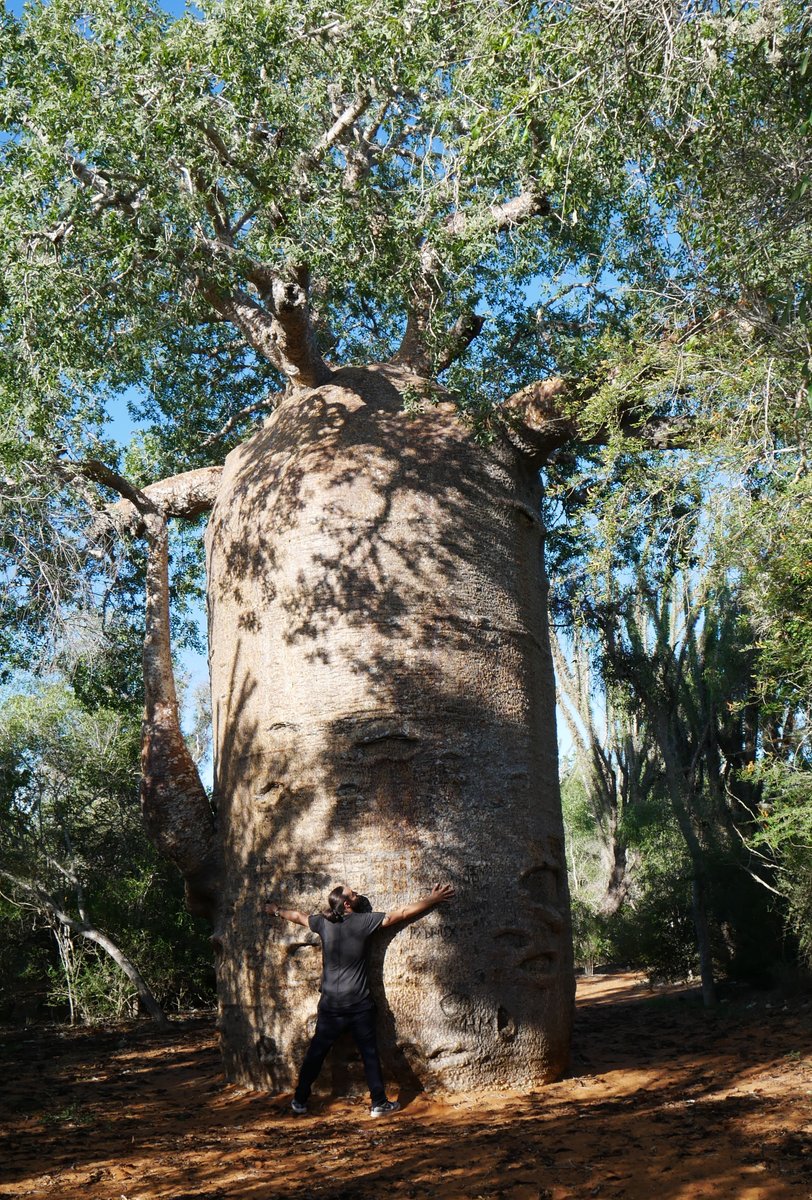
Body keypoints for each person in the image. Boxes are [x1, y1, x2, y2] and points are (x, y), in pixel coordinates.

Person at [267, 881, 455, 1117]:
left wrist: (275, 910)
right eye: (353, 894)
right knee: (368, 1053)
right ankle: (378, 1103)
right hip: (358, 1005)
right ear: (347, 904)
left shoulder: (323, 922)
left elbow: (297, 916)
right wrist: (434, 899)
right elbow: (403, 913)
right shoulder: (364, 921)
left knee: (316, 1053)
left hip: (330, 1005)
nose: (357, 894)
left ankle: (299, 1100)